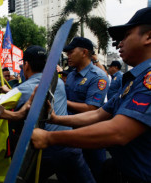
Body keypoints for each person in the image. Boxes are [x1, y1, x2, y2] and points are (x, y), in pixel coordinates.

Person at [32, 7, 151, 182]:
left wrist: (50, 137)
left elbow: (119, 131)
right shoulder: (134, 79)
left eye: (126, 35)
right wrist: (55, 119)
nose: (119, 43)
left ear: (148, 36)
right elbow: (98, 114)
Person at [13, 45, 95, 183]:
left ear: (26, 65)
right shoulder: (58, 83)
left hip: (46, 148)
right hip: (70, 144)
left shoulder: (21, 90)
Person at [63, 37, 109, 181]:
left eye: (71, 52)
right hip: (72, 131)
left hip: (91, 133)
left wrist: (64, 102)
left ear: (84, 52)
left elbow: (91, 108)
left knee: (97, 171)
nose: (68, 56)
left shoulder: (98, 77)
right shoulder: (71, 75)